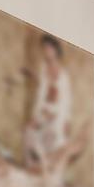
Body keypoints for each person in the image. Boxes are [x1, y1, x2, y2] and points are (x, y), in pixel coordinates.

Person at [25, 34, 72, 170]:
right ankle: (33, 170)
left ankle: (48, 175)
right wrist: (36, 116)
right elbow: (40, 95)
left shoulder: (64, 74)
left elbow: (67, 100)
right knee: (28, 132)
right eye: (44, 48)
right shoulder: (43, 68)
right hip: (44, 112)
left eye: (49, 47)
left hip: (58, 115)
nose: (46, 51)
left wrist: (66, 121)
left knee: (55, 144)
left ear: (56, 49)